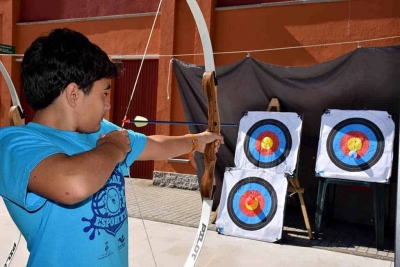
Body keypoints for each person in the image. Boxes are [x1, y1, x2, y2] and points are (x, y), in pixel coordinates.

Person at [0, 28, 223, 267]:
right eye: (104, 94)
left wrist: (197, 141)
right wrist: (114, 148)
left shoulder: (100, 132)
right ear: (74, 94)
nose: (107, 105)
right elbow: (72, 184)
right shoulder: (14, 142)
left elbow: (154, 145)